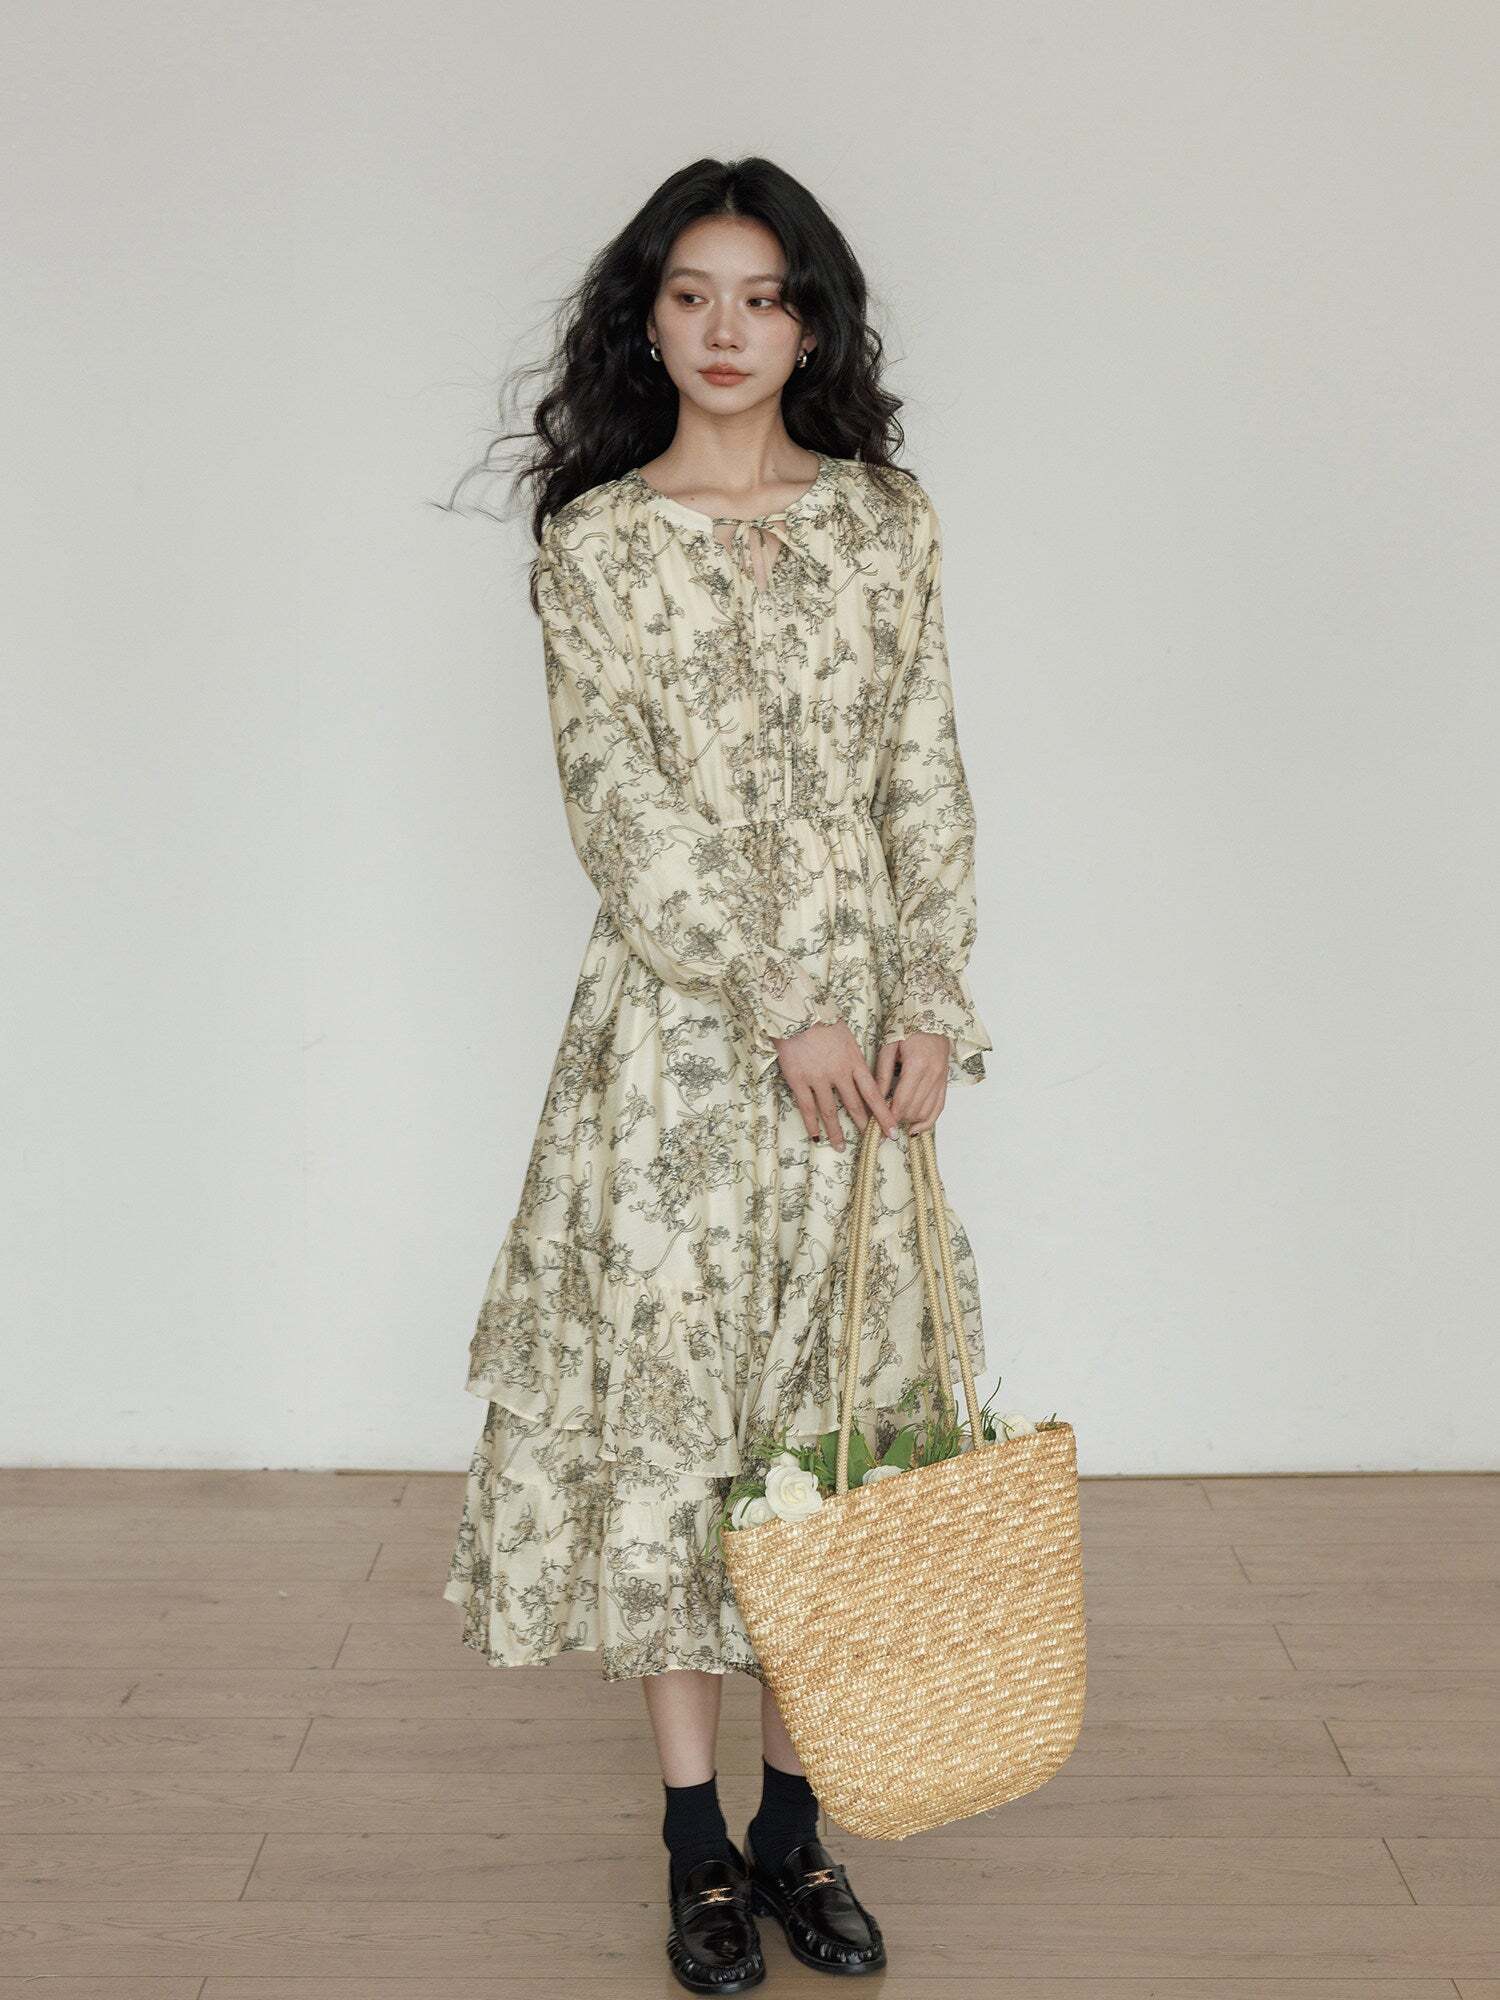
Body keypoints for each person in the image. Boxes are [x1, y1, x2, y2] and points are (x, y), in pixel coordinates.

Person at [442, 154, 993, 1991]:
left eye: (762, 296)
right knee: (680, 1420)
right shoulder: (597, 548)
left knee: (832, 1429)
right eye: (692, 295)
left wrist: (929, 996)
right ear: (650, 322)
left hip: (868, 1046)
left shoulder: (887, 524)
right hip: (681, 1041)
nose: (727, 328)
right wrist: (777, 998)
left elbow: (923, 765)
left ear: (811, 323)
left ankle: (795, 1828)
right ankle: (695, 1848)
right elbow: (619, 808)